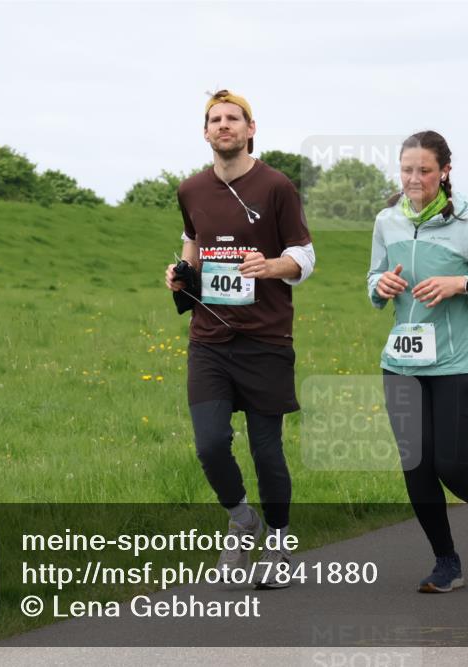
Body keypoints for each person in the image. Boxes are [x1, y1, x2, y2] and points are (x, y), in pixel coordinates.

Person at [165, 90, 315, 589]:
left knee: (267, 450)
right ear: (205, 132)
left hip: (266, 339)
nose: (223, 125)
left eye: (233, 118)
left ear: (251, 129)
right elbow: (194, 245)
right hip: (209, 337)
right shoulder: (191, 189)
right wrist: (181, 272)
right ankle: (241, 517)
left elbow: (305, 256)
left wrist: (269, 266)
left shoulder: (276, 187)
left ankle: (277, 541)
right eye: (215, 119)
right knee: (209, 444)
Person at [367, 130, 468, 593]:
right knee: (416, 466)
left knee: (452, 465)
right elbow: (373, 277)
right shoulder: (386, 221)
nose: (414, 179)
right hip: (402, 363)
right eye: (407, 170)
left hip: (459, 364)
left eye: (425, 171)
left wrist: (462, 284)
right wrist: (379, 287)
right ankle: (445, 562)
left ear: (445, 172)